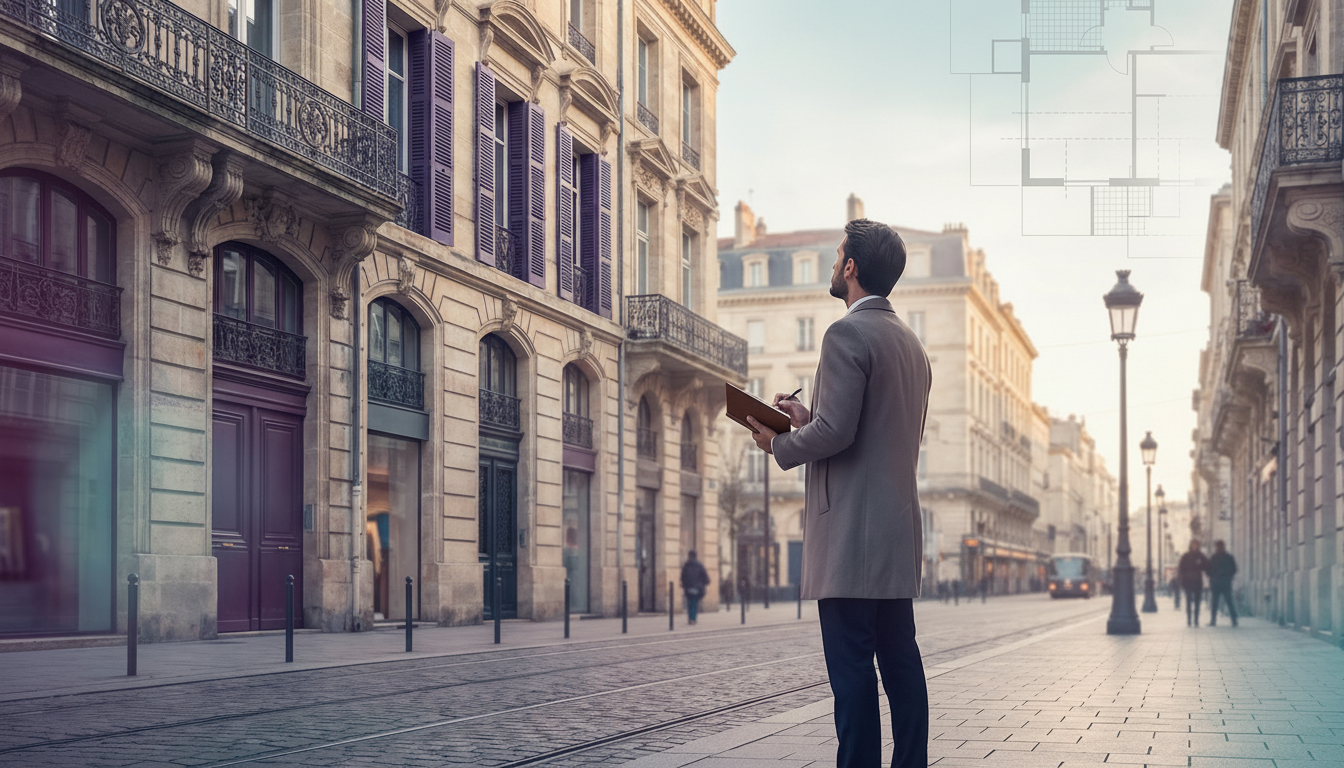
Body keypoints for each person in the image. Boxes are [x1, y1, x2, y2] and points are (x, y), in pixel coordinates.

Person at [746, 218, 931, 768]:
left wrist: (776, 442)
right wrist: (808, 417)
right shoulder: (911, 344)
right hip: (896, 531)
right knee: (901, 665)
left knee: (851, 676)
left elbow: (838, 434)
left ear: (851, 267)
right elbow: (866, 427)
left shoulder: (845, 333)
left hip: (851, 535)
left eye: (836, 256)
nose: (832, 264)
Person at [1206, 540, 1238, 627]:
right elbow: (1234, 569)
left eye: (1219, 546)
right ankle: (1233, 620)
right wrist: (1228, 576)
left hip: (1220, 582)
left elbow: (1234, 569)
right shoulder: (1226, 557)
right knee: (1226, 601)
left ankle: (1214, 620)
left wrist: (1213, 577)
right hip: (1222, 582)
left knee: (1219, 602)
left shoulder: (1221, 557)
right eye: (1218, 546)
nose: (1219, 548)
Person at [1177, 540, 1209, 627]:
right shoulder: (1186, 556)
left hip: (1197, 581)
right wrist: (1182, 580)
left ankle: (1196, 620)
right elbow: (1181, 569)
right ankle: (1189, 620)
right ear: (1190, 545)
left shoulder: (1201, 556)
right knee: (1188, 601)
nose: (1194, 546)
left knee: (1197, 602)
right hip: (1188, 582)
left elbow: (1206, 567)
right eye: (1193, 545)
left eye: (1196, 545)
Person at [680, 550, 709, 625]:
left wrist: (684, 584)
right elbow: (705, 576)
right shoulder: (699, 565)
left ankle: (690, 618)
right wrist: (705, 582)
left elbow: (682, 576)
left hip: (688, 586)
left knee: (690, 602)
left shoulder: (686, 565)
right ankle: (693, 618)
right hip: (697, 587)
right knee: (694, 602)